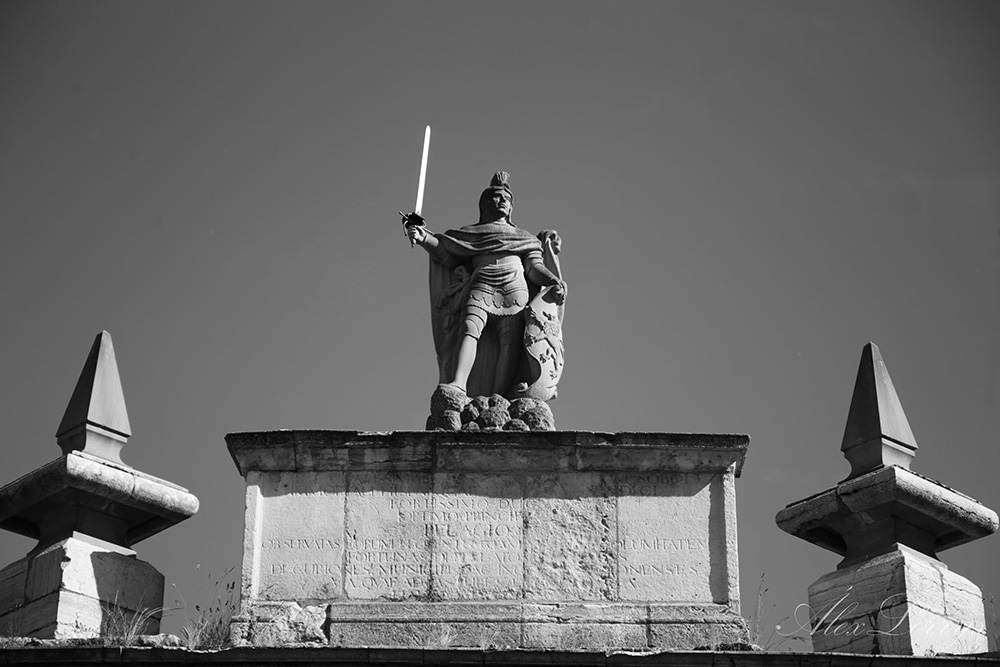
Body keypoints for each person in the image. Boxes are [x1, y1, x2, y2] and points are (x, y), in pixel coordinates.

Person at [404, 171, 566, 398]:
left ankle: (499, 396)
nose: (502, 201)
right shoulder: (471, 234)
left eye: (507, 199)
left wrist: (552, 280)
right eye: (497, 197)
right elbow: (447, 254)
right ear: (485, 203)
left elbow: (533, 268)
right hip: (481, 285)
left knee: (510, 343)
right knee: (468, 329)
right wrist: (423, 238)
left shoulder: (524, 238)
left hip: (515, 290)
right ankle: (458, 384)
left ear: (511, 208)